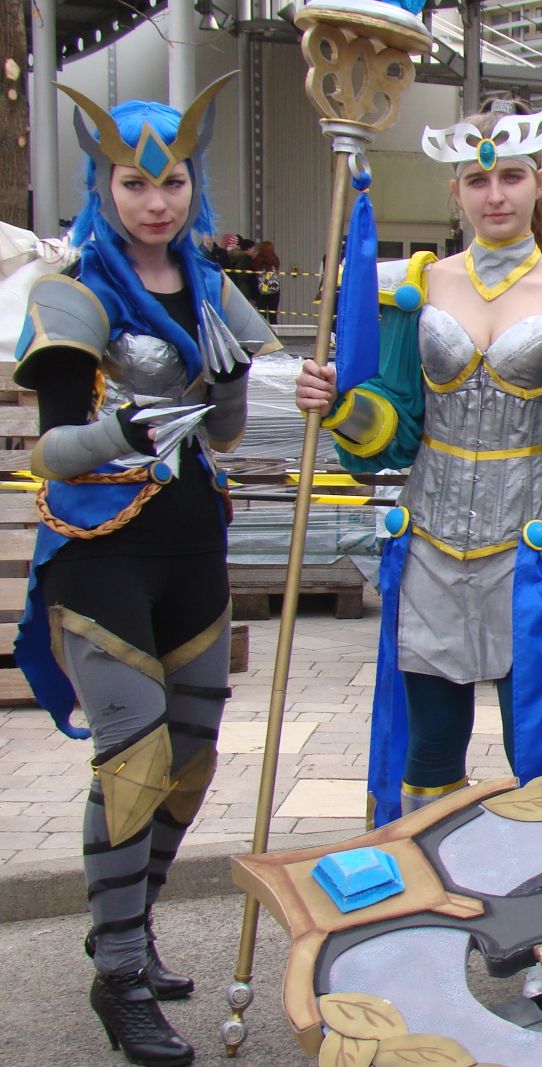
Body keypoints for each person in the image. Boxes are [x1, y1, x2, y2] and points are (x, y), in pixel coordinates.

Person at [13, 75, 278, 1065]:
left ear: (194, 183)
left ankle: (129, 923)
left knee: (191, 755)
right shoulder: (72, 289)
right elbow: (51, 453)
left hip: (191, 541)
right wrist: (117, 432)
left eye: (172, 182)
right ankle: (119, 971)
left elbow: (228, 432)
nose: (156, 202)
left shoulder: (211, 289)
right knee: (132, 751)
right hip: (99, 548)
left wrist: (234, 384)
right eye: (134, 183)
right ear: (104, 184)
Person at [294, 97, 542, 825]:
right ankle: (427, 885)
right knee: (428, 750)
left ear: (539, 184)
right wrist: (338, 404)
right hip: (427, 546)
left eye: (511, 177)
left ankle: (539, 893)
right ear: (455, 189)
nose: (495, 195)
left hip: (530, 557)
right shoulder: (415, 290)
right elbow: (393, 428)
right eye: (478, 180)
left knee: (541, 752)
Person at [250, 240, 281, 325]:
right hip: (274, 289)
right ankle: (274, 331)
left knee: (262, 315)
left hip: (261, 289)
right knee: (273, 316)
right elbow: (277, 273)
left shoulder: (257, 260)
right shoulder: (275, 260)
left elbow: (254, 276)